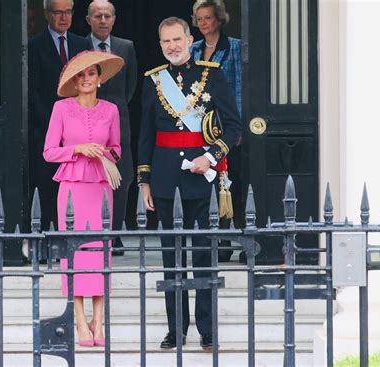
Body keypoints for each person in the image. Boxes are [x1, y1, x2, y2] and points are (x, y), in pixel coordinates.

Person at [137, 17, 242, 350]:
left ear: (189, 38)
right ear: (161, 44)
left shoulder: (212, 74)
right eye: (166, 41)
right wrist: (145, 182)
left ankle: (207, 330)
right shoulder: (153, 81)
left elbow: (234, 128)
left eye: (177, 39)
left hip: (201, 181)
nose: (172, 46)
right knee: (172, 261)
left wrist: (210, 158)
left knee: (203, 258)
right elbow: (145, 137)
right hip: (166, 180)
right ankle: (176, 329)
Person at [43, 51, 124, 347]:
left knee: (100, 251)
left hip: (100, 185)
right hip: (72, 188)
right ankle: (79, 319)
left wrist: (102, 152)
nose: (86, 79)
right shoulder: (61, 109)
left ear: (100, 79)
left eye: (91, 74)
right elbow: (49, 152)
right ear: (74, 81)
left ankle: (98, 321)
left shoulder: (112, 110)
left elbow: (117, 149)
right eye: (81, 75)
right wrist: (78, 149)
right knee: (74, 252)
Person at [28, 0, 91, 230]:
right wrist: (56, 125)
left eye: (68, 12)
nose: (63, 17)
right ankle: (45, 241)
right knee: (47, 188)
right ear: (47, 14)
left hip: (79, 133)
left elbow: (89, 85)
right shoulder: (34, 46)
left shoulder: (82, 44)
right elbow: (33, 92)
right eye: (57, 12)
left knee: (77, 188)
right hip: (46, 130)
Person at [190, 0, 243, 262]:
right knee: (207, 184)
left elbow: (240, 86)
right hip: (200, 126)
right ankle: (216, 242)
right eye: (199, 18)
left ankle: (241, 240)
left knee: (233, 184)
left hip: (228, 126)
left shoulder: (234, 47)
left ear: (219, 19)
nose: (202, 23)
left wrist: (238, 126)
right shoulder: (193, 49)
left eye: (208, 18)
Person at [86, 0, 138, 256]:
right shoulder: (79, 45)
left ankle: (114, 234)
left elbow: (130, 87)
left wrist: (113, 110)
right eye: (98, 16)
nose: (103, 20)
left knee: (122, 179)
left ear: (114, 19)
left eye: (107, 16)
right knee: (89, 178)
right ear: (88, 20)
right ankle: (93, 232)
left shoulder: (125, 47)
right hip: (86, 123)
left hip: (120, 125)